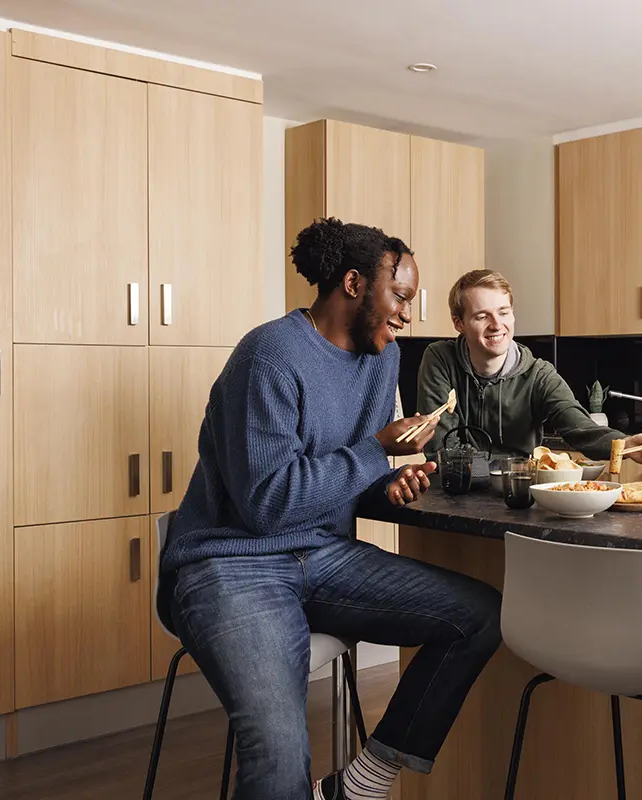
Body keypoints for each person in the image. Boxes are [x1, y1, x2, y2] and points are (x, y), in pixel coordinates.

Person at [158, 218, 502, 800]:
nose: (407, 315)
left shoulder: (380, 359)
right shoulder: (269, 355)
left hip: (323, 556)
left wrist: (387, 485)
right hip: (232, 565)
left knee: (480, 615)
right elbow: (268, 505)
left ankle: (361, 784)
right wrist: (376, 452)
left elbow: (341, 476)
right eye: (400, 297)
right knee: (278, 754)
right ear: (353, 284)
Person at [415, 269, 642, 466]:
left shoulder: (538, 375)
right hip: (453, 498)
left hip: (517, 497)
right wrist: (517, 464)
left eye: (503, 313)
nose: (496, 324)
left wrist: (625, 444)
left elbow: (579, 427)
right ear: (459, 323)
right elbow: (441, 448)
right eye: (482, 316)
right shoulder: (440, 359)